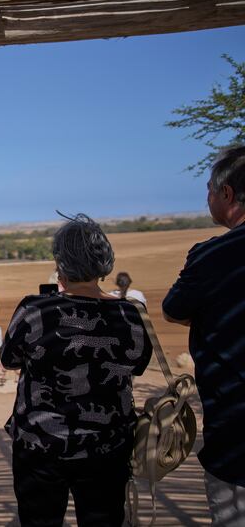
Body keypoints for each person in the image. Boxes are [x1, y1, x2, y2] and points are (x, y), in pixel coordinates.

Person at [0, 214, 153, 527]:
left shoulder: (35, 309)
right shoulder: (127, 314)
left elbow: (8, 358)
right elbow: (139, 364)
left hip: (40, 444)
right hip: (108, 446)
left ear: (60, 263)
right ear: (104, 261)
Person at [163, 145, 245, 526]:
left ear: (227, 195)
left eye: (210, 191)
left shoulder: (213, 256)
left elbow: (173, 310)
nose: (208, 198)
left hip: (236, 435)